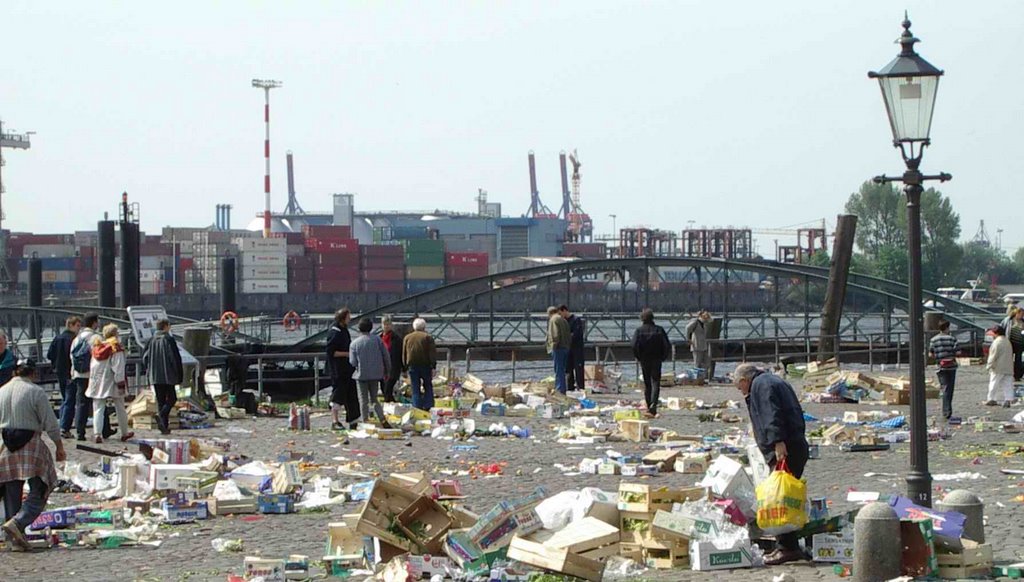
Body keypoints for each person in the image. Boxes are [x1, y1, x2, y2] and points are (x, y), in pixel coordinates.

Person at [733, 363, 809, 566]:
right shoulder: (772, 380)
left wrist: (777, 442)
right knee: (785, 495)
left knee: (780, 498)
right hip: (796, 443)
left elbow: (771, 414)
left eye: (738, 387)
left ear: (744, 381)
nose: (740, 391)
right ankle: (788, 545)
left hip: (786, 447)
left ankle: (787, 548)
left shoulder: (761, 386)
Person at [0, 358, 67, 551]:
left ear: (14, 372)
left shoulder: (1, 391)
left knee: (12, 491)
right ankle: (19, 522)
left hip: (6, 445)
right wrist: (59, 446)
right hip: (30, 444)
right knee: (42, 487)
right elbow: (51, 424)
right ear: (33, 373)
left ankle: (13, 540)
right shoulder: (36, 392)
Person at [85, 324, 134, 444]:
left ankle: (97, 434)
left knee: (98, 408)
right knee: (120, 407)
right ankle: (124, 433)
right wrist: (121, 384)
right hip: (112, 381)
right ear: (116, 334)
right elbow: (118, 368)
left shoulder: (97, 347)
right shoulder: (115, 348)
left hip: (98, 381)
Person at [70, 313, 112, 441]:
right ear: (94, 323)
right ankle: (104, 429)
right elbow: (102, 356)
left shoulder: (77, 338)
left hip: (78, 374)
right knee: (100, 401)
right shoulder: (96, 337)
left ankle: (80, 432)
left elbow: (71, 356)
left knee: (81, 403)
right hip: (93, 375)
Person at [349, 318, 393, 428]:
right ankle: (382, 419)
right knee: (374, 399)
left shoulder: (354, 343)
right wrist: (387, 371)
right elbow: (386, 356)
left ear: (359, 329)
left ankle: (365, 421)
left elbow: (352, 362)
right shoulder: (378, 340)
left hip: (361, 375)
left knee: (363, 400)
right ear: (371, 327)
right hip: (376, 374)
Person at [143, 319, 183, 435]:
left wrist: (149, 370)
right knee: (172, 398)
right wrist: (179, 375)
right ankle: (161, 416)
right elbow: (175, 358)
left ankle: (164, 427)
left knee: (161, 400)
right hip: (168, 375)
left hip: (154, 375)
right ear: (166, 326)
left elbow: (145, 358)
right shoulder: (168, 339)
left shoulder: (151, 340)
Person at [631, 308, 671, 418]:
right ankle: (653, 405)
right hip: (657, 359)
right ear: (652, 318)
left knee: (647, 383)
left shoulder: (639, 331)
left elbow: (634, 345)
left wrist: (638, 356)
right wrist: (663, 356)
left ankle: (649, 404)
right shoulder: (659, 330)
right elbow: (667, 345)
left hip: (644, 359)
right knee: (655, 382)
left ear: (642, 319)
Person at [47, 317, 81, 438]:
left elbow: (49, 354)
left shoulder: (58, 338)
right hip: (70, 373)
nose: (79, 328)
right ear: (71, 325)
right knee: (69, 400)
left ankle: (61, 424)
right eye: (77, 325)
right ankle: (64, 428)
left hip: (59, 373)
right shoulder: (74, 339)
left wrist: (55, 364)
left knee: (65, 398)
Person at [326, 308, 358, 430]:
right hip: (338, 369)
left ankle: (353, 420)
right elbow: (331, 352)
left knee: (351, 394)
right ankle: (335, 421)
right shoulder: (334, 332)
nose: (350, 319)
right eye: (348, 317)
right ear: (342, 318)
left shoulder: (343, 329)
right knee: (338, 394)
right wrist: (347, 354)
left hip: (347, 369)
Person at [402, 318, 437, 411]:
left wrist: (404, 367)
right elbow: (432, 353)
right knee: (428, 386)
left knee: (415, 387)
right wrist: (433, 366)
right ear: (424, 327)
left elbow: (404, 354)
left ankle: (417, 406)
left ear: (414, 327)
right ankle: (428, 405)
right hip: (425, 365)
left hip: (412, 365)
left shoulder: (407, 337)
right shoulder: (428, 337)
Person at [928, 320, 960, 420]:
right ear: (947, 328)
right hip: (951, 366)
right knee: (949, 389)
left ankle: (946, 410)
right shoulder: (952, 339)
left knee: (944, 387)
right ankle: (947, 410)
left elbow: (930, 354)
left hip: (940, 367)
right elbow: (958, 352)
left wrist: (939, 356)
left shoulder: (933, 340)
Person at [986, 326, 1015, 408]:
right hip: (1008, 366)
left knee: (993, 383)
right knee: (1008, 384)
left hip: (998, 367)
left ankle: (991, 399)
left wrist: (989, 366)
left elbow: (993, 356)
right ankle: (1008, 400)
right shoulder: (1007, 341)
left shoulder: (996, 343)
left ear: (996, 333)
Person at [559, 305, 586, 392]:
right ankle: (570, 387)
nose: (560, 316)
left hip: (577, 349)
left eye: (560, 313)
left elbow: (576, 334)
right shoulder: (564, 321)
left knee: (578, 369)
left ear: (565, 311)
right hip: (568, 349)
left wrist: (567, 337)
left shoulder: (575, 320)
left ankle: (580, 387)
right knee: (568, 368)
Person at [378, 315, 404, 403]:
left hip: (393, 367)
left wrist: (404, 368)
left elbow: (401, 353)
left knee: (388, 388)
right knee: (383, 388)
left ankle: (388, 404)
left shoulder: (396, 339)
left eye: (388, 324)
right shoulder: (379, 338)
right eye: (384, 324)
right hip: (381, 367)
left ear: (391, 325)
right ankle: (391, 404)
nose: (386, 326)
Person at [545, 306, 571, 394]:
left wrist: (553, 346)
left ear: (549, 313)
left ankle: (560, 390)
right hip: (566, 347)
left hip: (558, 348)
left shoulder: (553, 320)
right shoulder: (563, 319)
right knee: (562, 370)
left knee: (558, 370)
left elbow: (555, 335)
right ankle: (562, 388)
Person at [1001, 307, 1024, 381]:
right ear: (1016, 313)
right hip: (1010, 342)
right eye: (1021, 314)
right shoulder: (1008, 320)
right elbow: (1002, 328)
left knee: (1018, 359)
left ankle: (1017, 375)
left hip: (1020, 344)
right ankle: (1006, 374)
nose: (1022, 316)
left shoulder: (1023, 322)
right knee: (1008, 359)